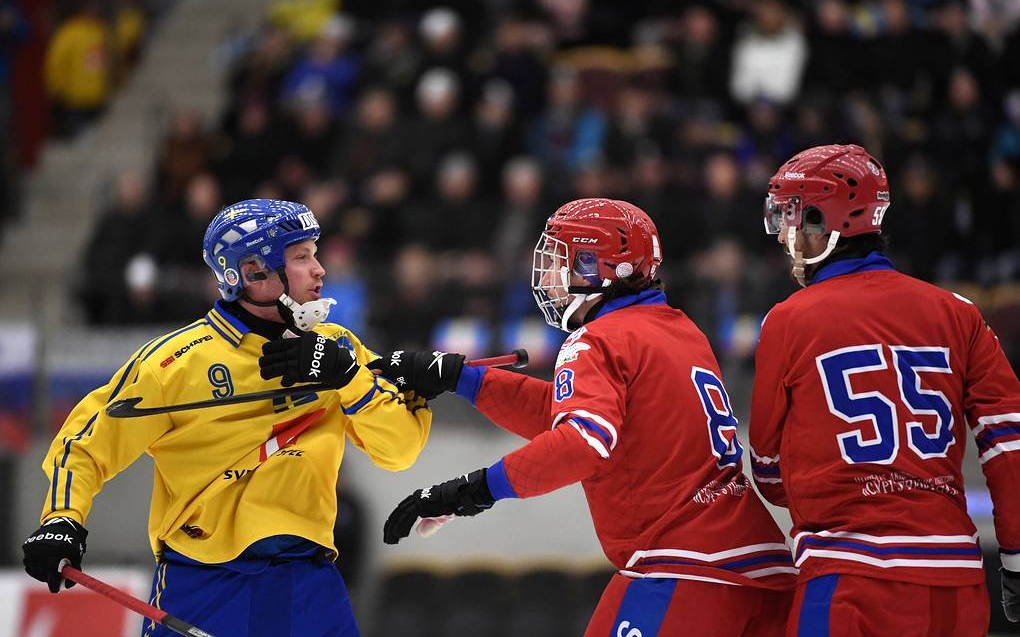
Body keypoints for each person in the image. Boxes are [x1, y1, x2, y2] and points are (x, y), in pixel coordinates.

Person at [374, 198, 795, 636]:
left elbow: (580, 443)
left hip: (684, 569)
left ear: (600, 268)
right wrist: (461, 378)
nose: (550, 276)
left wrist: (470, 491)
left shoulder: (597, 339)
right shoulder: (679, 329)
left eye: (562, 260)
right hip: (759, 565)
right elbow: (571, 417)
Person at [21, 199, 432, 636]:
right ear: (254, 272)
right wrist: (62, 520)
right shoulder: (173, 364)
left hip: (307, 584)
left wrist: (349, 378)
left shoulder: (337, 347)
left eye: (315, 253)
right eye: (301, 257)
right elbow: (85, 443)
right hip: (202, 585)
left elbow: (400, 450)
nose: (319, 269)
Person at [749, 144, 1020, 635]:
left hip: (848, 581)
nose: (788, 237)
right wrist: (1017, 557)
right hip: (955, 586)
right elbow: (1009, 444)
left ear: (827, 222)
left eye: (795, 219)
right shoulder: (958, 313)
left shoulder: (788, 321)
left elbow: (768, 472)